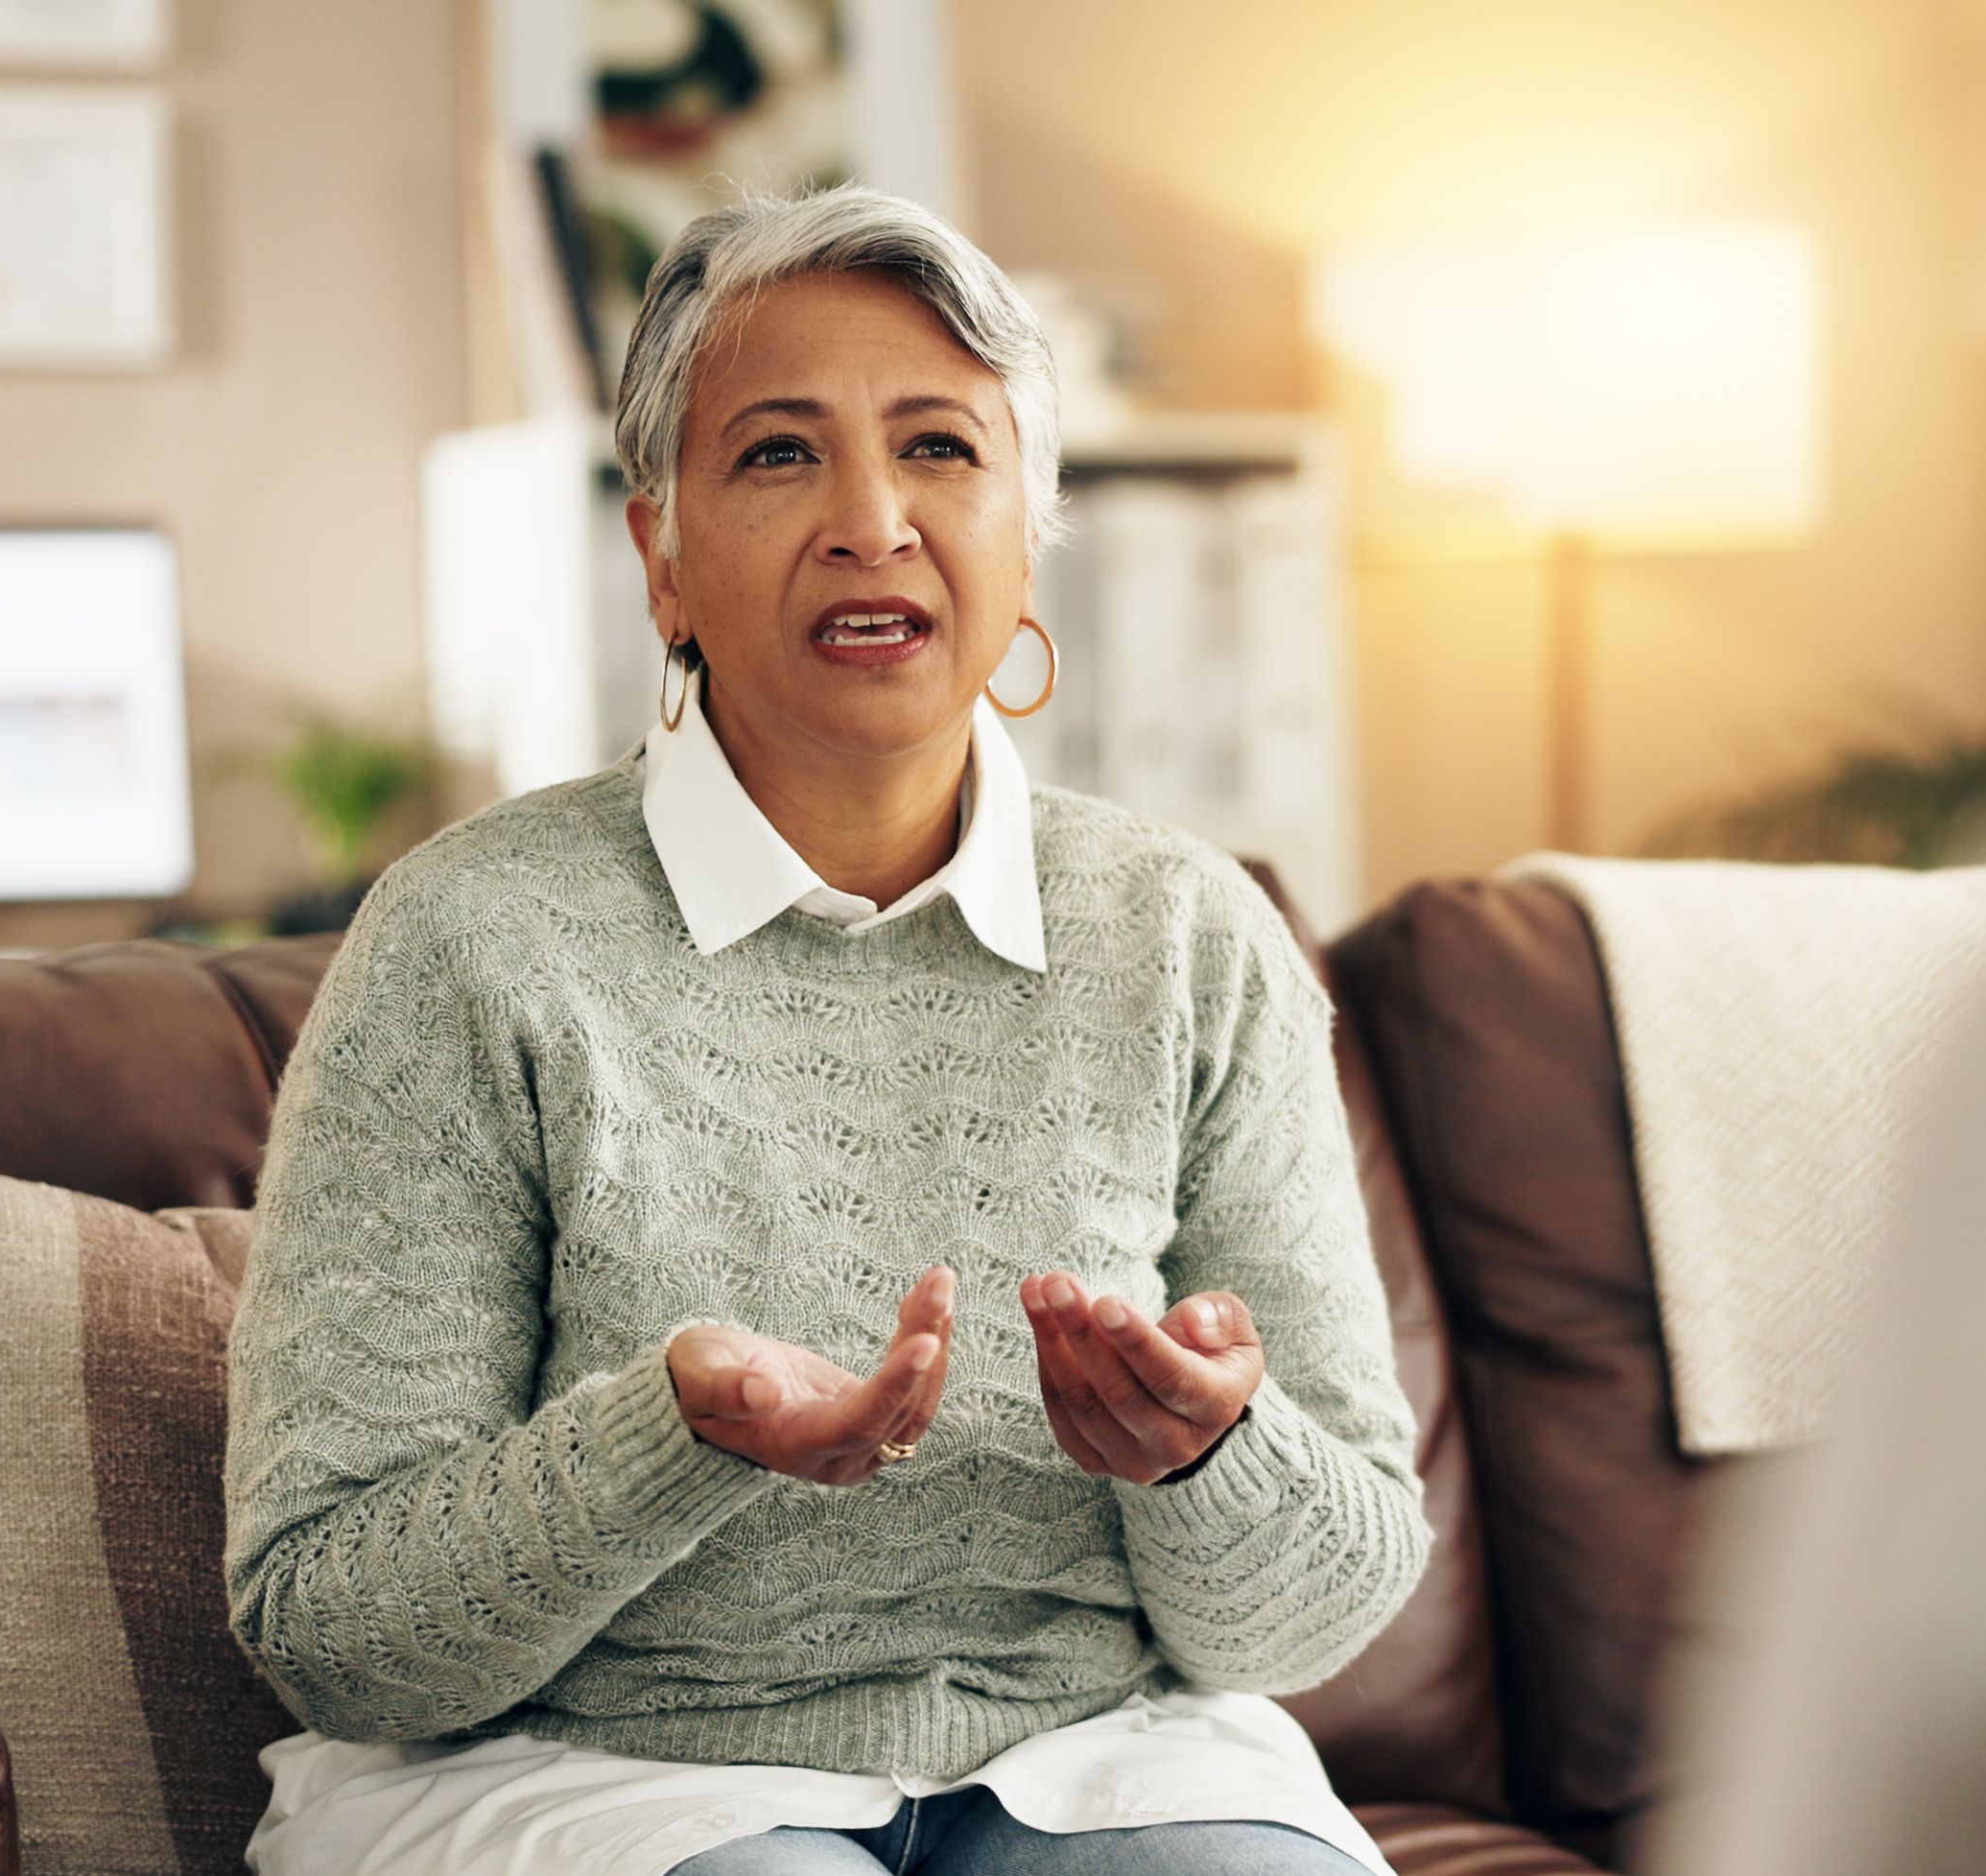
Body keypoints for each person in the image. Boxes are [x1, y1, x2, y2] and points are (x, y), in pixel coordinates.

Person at [220, 185, 1430, 1876]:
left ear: (1028, 533)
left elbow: (1322, 1607)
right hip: (598, 1773)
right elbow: (333, 1627)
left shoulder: (1188, 933)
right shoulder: (467, 941)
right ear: (662, 557)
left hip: (1100, 1759)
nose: (872, 522)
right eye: (780, 455)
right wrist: (672, 1437)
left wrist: (1207, 1456)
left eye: (940, 447)